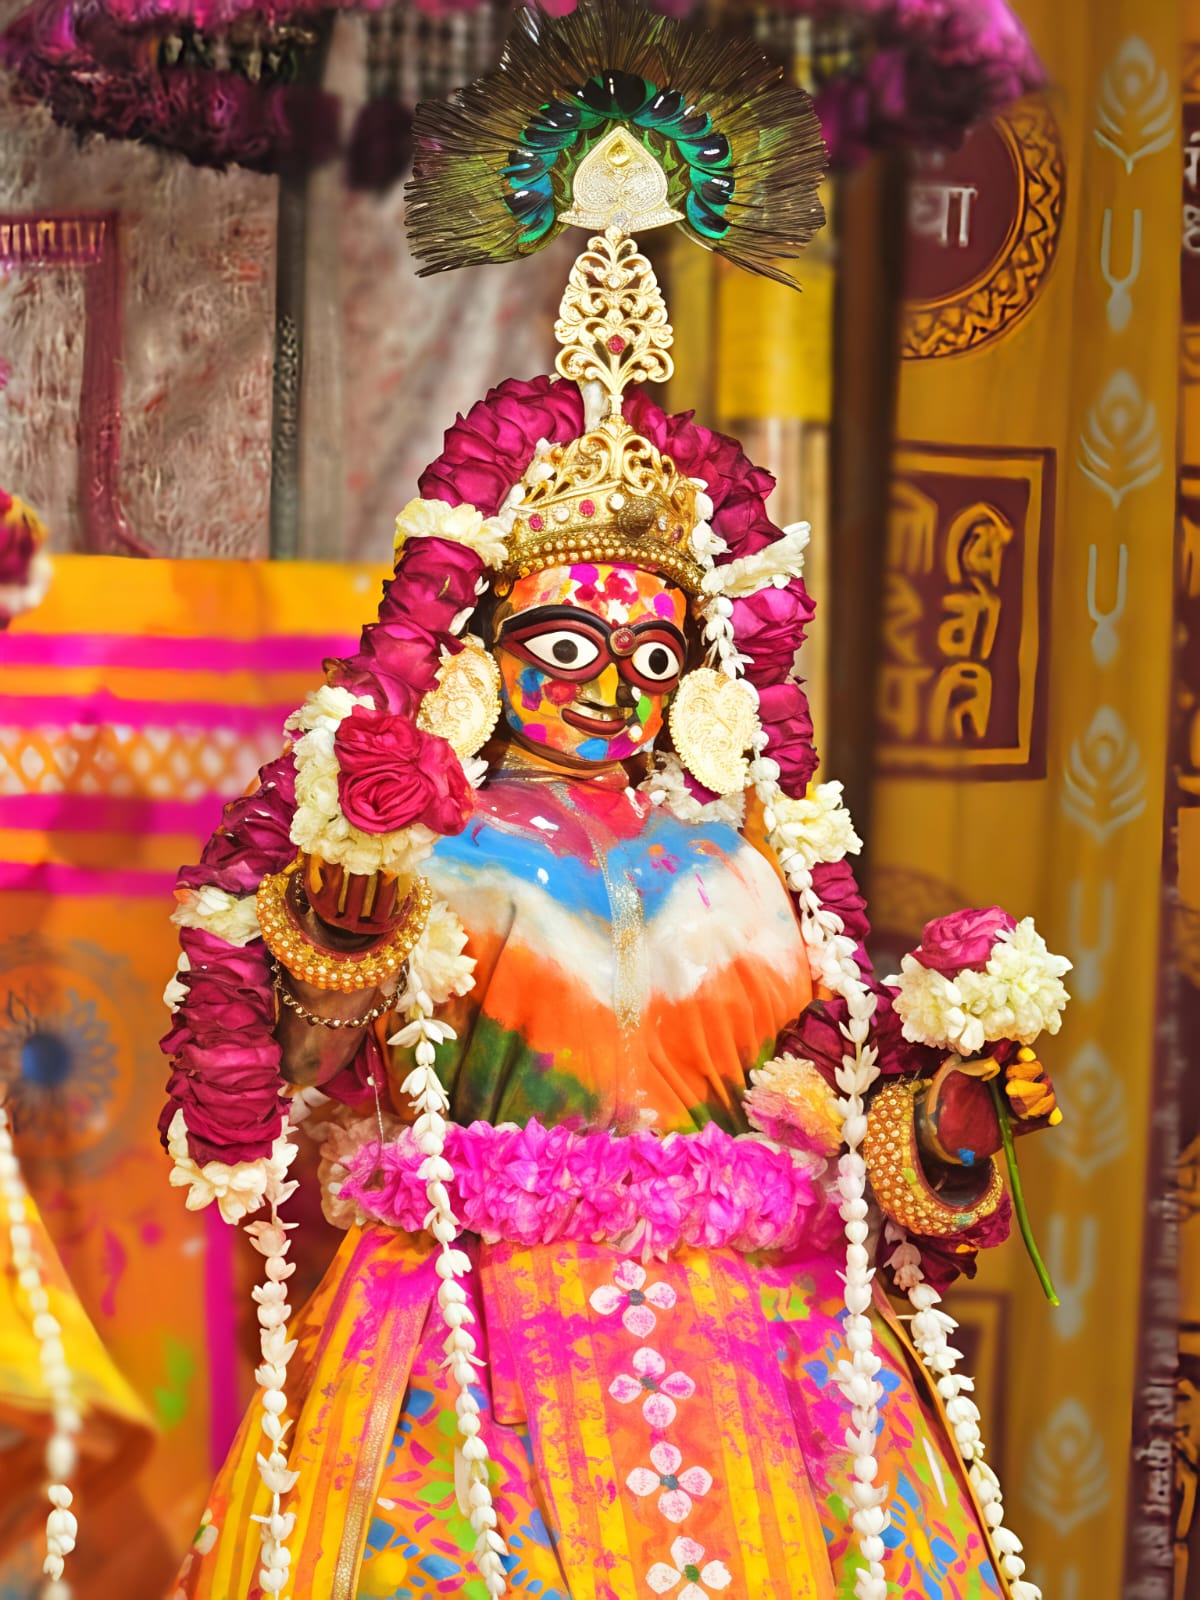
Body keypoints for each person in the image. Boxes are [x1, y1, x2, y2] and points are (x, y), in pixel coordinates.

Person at [160, 5, 1061, 1597]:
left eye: (648, 650)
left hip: (766, 1361)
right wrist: (353, 894)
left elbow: (876, 1150)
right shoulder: (434, 830)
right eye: (564, 641)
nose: (606, 682)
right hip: (470, 1346)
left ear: (694, 665)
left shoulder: (751, 862)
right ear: (498, 647)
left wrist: (963, 1086)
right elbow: (307, 1021)